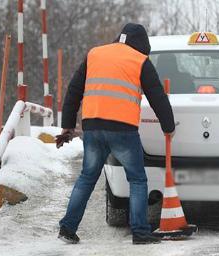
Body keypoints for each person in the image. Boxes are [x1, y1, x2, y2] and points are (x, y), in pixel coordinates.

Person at [56, 23, 175, 245]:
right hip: (123, 130)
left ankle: (68, 227)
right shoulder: (140, 60)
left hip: (93, 126)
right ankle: (140, 232)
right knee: (137, 179)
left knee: (87, 178)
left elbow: (74, 90)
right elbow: (157, 96)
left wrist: (67, 125)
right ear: (142, 44)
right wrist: (168, 126)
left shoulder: (95, 54)